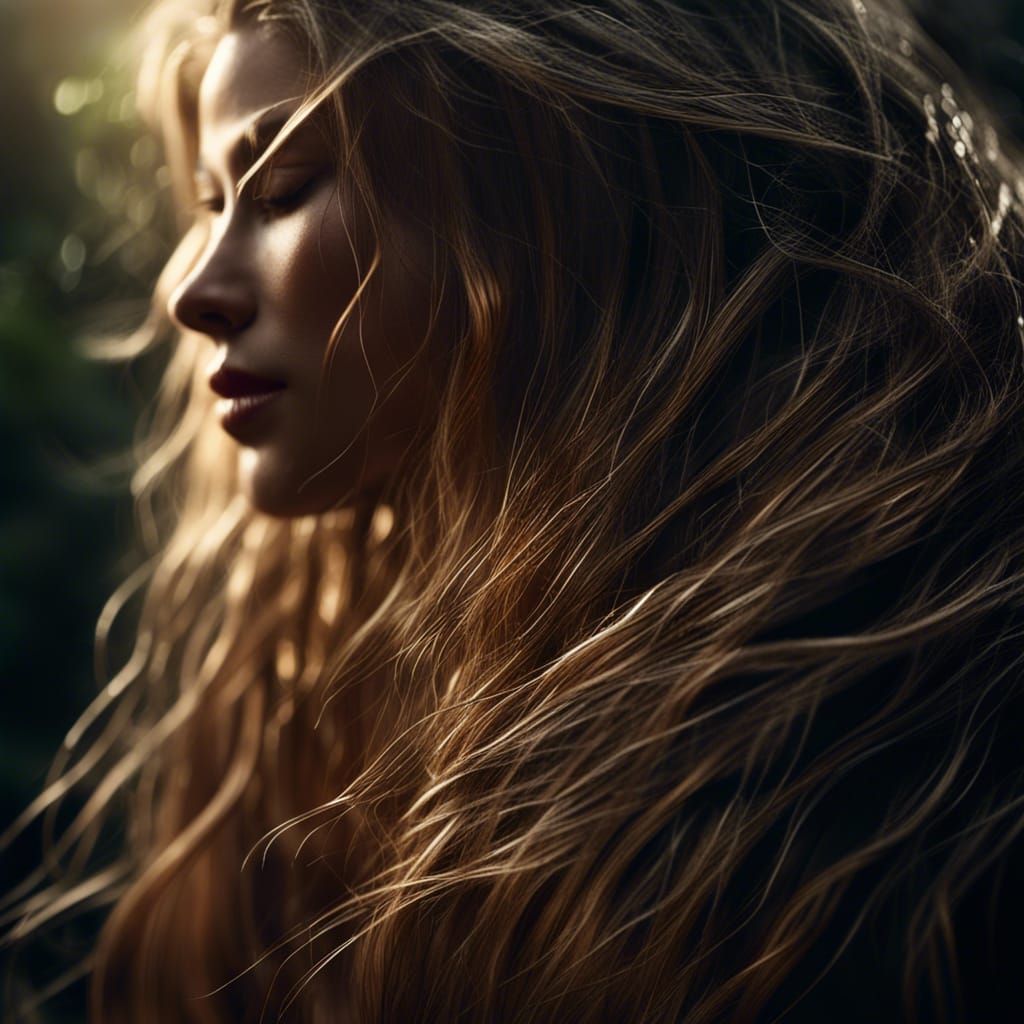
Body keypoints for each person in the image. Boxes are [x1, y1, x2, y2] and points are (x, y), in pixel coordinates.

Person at [4, 0, 1024, 1020]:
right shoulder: (404, 715)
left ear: (562, 181)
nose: (191, 289)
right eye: (207, 201)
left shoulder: (862, 808)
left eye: (281, 189)